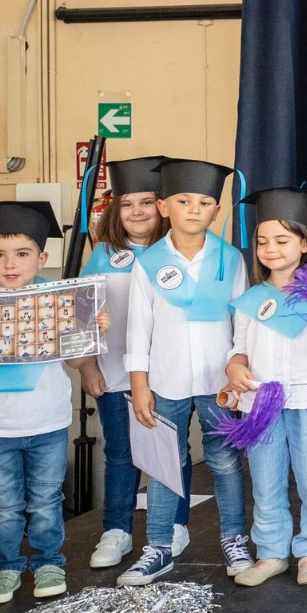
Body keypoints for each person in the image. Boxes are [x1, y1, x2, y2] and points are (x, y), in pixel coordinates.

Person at [0, 202, 96, 604]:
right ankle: (7, 567)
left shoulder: (59, 303)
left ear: (42, 258)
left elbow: (76, 361)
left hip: (47, 423)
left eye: (22, 254)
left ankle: (49, 561)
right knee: (3, 506)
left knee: (47, 500)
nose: (9, 264)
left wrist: (90, 331)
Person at [120, 159, 250, 586]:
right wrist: (139, 386)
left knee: (224, 462)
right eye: (183, 200)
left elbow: (243, 324)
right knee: (162, 465)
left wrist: (240, 372)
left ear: (216, 211)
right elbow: (139, 329)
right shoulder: (148, 263)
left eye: (205, 202)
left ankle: (233, 539)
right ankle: (158, 547)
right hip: (165, 382)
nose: (194, 209)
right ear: (163, 207)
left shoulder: (230, 260)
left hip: (219, 384)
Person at [223, 188, 307, 587]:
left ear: (305, 243)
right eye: (262, 241)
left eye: (282, 240)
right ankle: (272, 552)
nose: (270, 249)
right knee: (266, 480)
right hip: (261, 404)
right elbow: (239, 350)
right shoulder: (251, 298)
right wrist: (234, 367)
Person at [79, 156, 186, 571]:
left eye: (146, 202)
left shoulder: (176, 252)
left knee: (168, 453)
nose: (136, 212)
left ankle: (175, 524)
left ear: (162, 206)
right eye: (127, 204)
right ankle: (117, 530)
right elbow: (80, 318)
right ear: (115, 210)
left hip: (166, 375)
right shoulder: (103, 254)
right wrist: (88, 368)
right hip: (115, 373)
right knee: (121, 451)